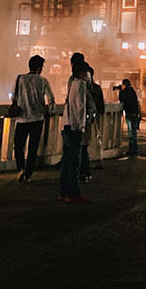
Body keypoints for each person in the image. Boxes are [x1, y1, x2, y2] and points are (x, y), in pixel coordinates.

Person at [12, 54, 55, 182]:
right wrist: (50, 111)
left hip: (22, 119)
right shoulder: (43, 81)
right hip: (37, 119)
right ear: (39, 68)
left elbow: (13, 96)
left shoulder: (19, 79)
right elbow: (51, 99)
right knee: (33, 148)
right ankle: (28, 174)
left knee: (18, 146)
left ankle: (21, 168)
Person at [59, 55, 91, 203]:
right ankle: (73, 193)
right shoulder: (81, 84)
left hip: (66, 125)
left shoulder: (71, 83)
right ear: (82, 72)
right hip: (74, 127)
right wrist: (81, 126)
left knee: (66, 160)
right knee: (74, 161)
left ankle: (64, 192)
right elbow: (80, 107)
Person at [77, 58, 104, 183]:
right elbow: (101, 107)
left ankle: (83, 171)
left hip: (85, 119)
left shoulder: (82, 87)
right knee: (91, 143)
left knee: (83, 145)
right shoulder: (97, 88)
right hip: (93, 118)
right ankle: (95, 163)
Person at [117, 78, 141, 156]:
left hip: (129, 113)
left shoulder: (125, 92)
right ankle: (134, 148)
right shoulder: (132, 91)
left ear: (124, 85)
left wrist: (121, 91)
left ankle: (132, 150)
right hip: (134, 113)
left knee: (131, 133)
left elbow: (121, 100)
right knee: (134, 132)